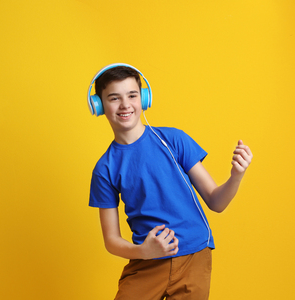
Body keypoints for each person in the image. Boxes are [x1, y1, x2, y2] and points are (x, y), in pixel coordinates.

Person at [87, 63, 253, 300]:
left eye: (132, 95)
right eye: (114, 98)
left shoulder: (173, 140)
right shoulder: (105, 169)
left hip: (193, 255)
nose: (125, 105)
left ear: (143, 99)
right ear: (99, 105)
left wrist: (236, 176)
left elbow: (216, 202)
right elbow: (111, 241)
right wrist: (144, 251)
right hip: (147, 261)